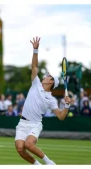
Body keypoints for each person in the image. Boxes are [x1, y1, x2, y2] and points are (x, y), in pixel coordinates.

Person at [15, 37, 71, 165]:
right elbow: (34, 66)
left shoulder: (51, 99)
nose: (45, 76)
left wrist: (67, 105)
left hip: (35, 124)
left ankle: (49, 163)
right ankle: (38, 165)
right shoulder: (36, 83)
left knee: (28, 144)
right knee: (19, 148)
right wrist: (35, 50)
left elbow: (61, 116)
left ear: (51, 82)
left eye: (48, 76)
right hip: (22, 123)